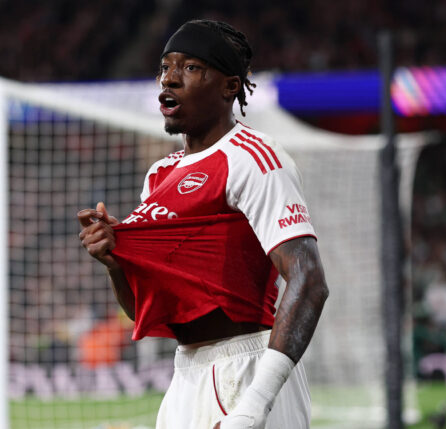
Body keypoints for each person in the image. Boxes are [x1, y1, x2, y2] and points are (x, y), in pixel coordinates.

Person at [78, 19, 328, 429]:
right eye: (164, 67)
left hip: (247, 365)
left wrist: (255, 403)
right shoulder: (159, 175)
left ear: (230, 87)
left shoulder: (254, 157)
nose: (170, 79)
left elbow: (310, 281)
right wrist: (115, 261)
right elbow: (145, 308)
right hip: (186, 373)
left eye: (190, 68)